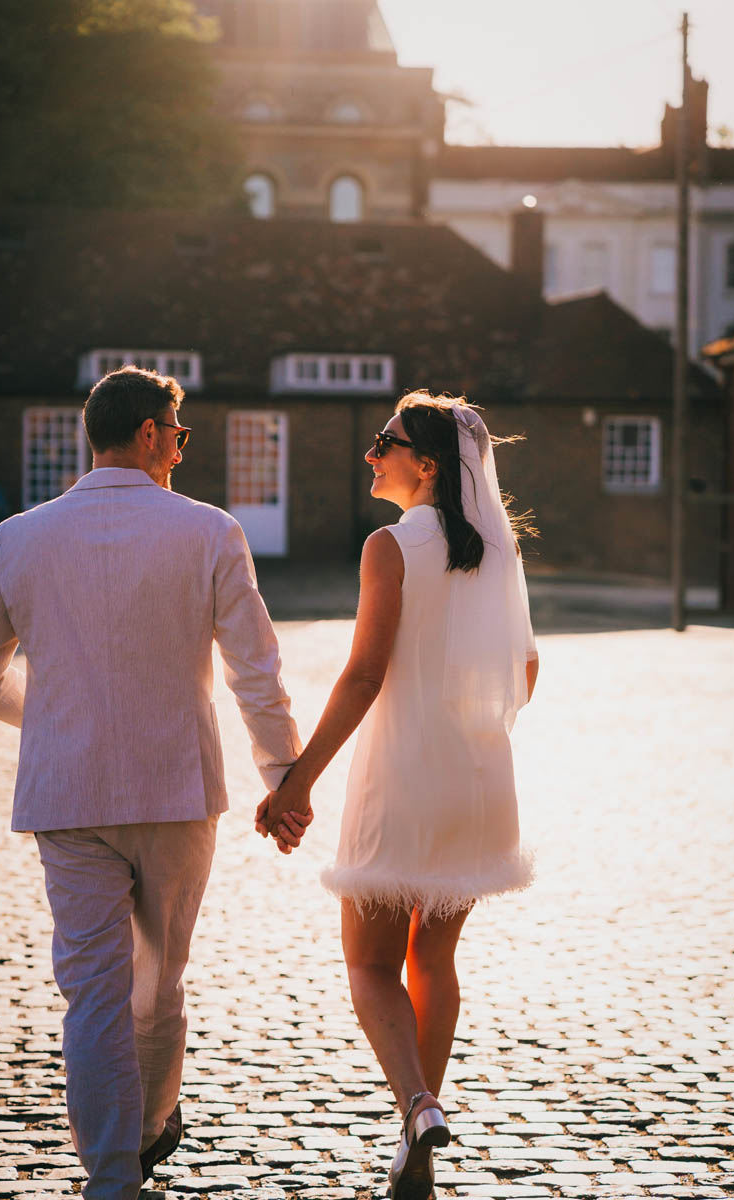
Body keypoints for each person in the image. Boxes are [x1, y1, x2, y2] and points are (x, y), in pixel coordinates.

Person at [0, 366, 309, 1200]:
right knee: (160, 981)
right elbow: (256, 669)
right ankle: (146, 1131)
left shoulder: (21, 537)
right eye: (179, 434)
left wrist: (55, 715)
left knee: (93, 995)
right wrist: (283, 776)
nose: (182, 450)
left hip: (68, 794)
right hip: (176, 790)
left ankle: (114, 1174)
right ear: (148, 432)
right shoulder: (209, 532)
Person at [257, 391, 538, 1200]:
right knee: (434, 957)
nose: (372, 452)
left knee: (371, 961)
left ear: (426, 464)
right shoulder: (497, 554)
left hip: (403, 778)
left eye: (387, 441)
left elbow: (366, 673)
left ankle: (416, 1104)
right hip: (480, 780)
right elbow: (525, 672)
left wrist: (296, 781)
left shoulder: (389, 547)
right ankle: (419, 1127)